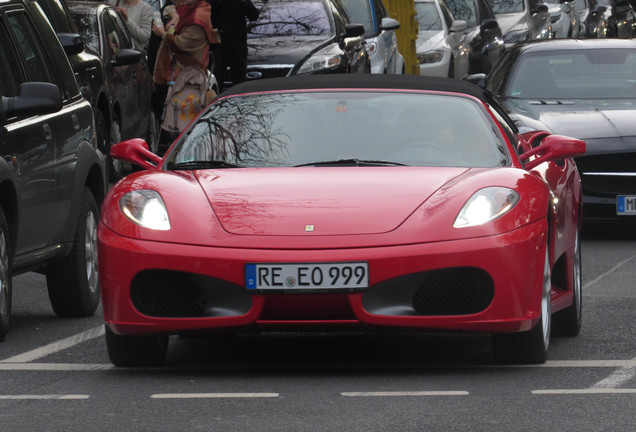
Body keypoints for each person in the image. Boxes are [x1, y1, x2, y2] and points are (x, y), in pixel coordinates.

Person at [152, 0, 219, 150]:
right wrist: (175, 16)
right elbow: (168, 7)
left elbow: (182, 44)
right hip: (173, 78)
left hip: (187, 79)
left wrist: (164, 34)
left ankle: (183, 154)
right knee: (175, 123)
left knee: (185, 127)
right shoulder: (187, 9)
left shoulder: (197, 18)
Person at [207, 0, 260, 92]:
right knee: (216, 84)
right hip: (219, 49)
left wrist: (245, 3)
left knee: (240, 85)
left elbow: (254, 15)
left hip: (238, 48)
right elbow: (208, 17)